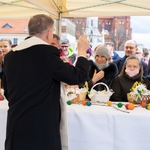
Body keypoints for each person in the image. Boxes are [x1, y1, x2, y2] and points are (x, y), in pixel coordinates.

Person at [3, 14, 90, 150]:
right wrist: (82, 52)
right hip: (41, 129)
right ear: (49, 32)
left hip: (16, 125)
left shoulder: (9, 57)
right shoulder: (47, 53)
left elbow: (8, 92)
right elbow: (77, 77)